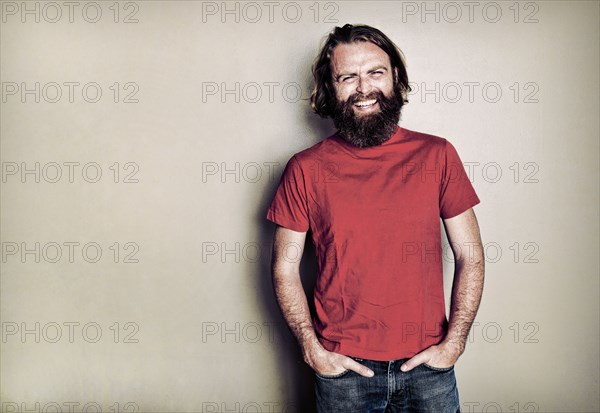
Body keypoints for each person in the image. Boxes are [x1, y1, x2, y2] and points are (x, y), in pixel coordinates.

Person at [266, 23, 484, 412]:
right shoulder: (305, 168)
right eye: (348, 77)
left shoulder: (437, 155)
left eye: (375, 72)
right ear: (331, 88)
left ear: (395, 77)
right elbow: (284, 268)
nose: (363, 88)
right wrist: (312, 350)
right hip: (343, 373)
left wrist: (455, 343)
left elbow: (470, 254)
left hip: (428, 368)